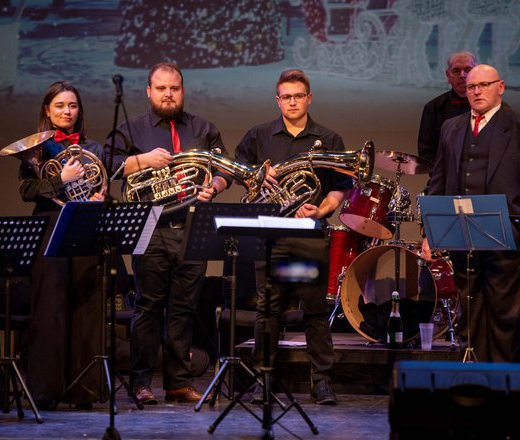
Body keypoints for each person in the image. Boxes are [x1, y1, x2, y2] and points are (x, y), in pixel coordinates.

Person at [421, 64, 520, 362]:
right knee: (470, 317)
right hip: (462, 240)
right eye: (472, 87)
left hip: (509, 243)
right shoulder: (452, 127)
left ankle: (505, 391)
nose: (476, 91)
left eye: (484, 85)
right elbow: (437, 182)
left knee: (505, 319)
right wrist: (430, 233)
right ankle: (477, 388)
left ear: (500, 87)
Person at [107, 62, 230, 404]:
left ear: (182, 90)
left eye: (174, 88)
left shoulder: (204, 128)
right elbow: (106, 165)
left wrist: (214, 185)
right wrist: (143, 161)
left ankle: (177, 382)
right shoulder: (131, 129)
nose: (168, 94)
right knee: (148, 308)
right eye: (160, 88)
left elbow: (224, 170)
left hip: (192, 227)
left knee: (183, 308)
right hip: (151, 227)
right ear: (149, 92)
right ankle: (141, 382)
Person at [235, 69, 352, 405]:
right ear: (278, 100)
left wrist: (322, 209)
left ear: (309, 97)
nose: (292, 102)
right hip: (270, 236)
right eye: (286, 97)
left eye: (298, 96)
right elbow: (239, 170)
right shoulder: (259, 136)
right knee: (268, 310)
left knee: (314, 309)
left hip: (308, 237)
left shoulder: (329, 139)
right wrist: (258, 174)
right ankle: (264, 380)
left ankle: (322, 382)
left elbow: (340, 189)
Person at [21, 81, 106, 410]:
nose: (67, 111)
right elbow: (27, 191)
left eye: (72, 106)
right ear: (47, 110)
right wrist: (61, 180)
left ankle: (84, 390)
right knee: (51, 308)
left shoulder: (94, 148)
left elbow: (99, 184)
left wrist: (99, 198)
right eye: (59, 106)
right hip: (49, 228)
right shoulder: (35, 149)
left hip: (84, 227)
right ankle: (46, 391)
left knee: (86, 307)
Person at [417, 51, 477, 165]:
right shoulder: (434, 107)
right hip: (445, 177)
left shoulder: (490, 106)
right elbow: (426, 152)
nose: (462, 75)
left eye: (468, 70)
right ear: (448, 75)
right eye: (456, 71)